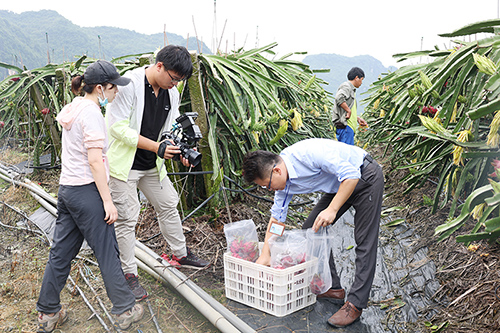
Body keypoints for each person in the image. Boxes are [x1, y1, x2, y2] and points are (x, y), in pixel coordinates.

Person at [36, 60, 143, 333]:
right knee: (107, 251)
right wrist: (107, 200)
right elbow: (95, 161)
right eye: (113, 88)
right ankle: (125, 308)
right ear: (99, 88)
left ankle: (48, 313)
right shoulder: (93, 113)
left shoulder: (71, 107)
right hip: (87, 191)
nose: (116, 93)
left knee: (60, 253)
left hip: (67, 191)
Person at [242, 138, 384, 328]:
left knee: (364, 241)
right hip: (339, 185)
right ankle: (333, 288)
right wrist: (266, 254)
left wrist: (332, 209)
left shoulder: (308, 154)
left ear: (276, 170)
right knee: (311, 229)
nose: (269, 190)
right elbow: (277, 220)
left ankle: (355, 304)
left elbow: (351, 175)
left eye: (267, 185)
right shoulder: (283, 183)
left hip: (364, 177)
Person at [105, 45, 209, 301]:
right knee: (127, 219)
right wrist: (156, 147)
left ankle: (179, 253)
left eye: (179, 81)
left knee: (168, 204)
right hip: (124, 166)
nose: (175, 85)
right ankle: (128, 274)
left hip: (152, 164)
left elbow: (167, 131)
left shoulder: (171, 95)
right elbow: (116, 128)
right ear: (159, 65)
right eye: (173, 78)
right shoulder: (128, 84)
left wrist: (179, 151)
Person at [332, 67, 368, 145]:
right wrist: (348, 110)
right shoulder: (346, 86)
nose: (361, 83)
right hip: (346, 127)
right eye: (361, 79)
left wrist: (357, 118)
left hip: (348, 128)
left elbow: (349, 107)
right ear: (356, 78)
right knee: (345, 155)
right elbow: (339, 98)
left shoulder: (351, 89)